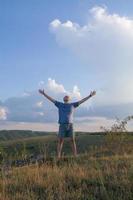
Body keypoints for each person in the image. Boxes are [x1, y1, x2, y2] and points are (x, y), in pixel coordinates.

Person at [39, 89, 96, 159]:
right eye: (65, 96)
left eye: (67, 96)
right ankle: (59, 156)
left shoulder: (73, 105)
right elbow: (51, 99)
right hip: (62, 125)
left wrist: (90, 96)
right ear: (63, 99)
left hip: (70, 125)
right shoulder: (59, 104)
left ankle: (75, 156)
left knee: (72, 140)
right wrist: (44, 94)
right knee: (60, 141)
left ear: (69, 99)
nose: (66, 97)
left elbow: (81, 101)